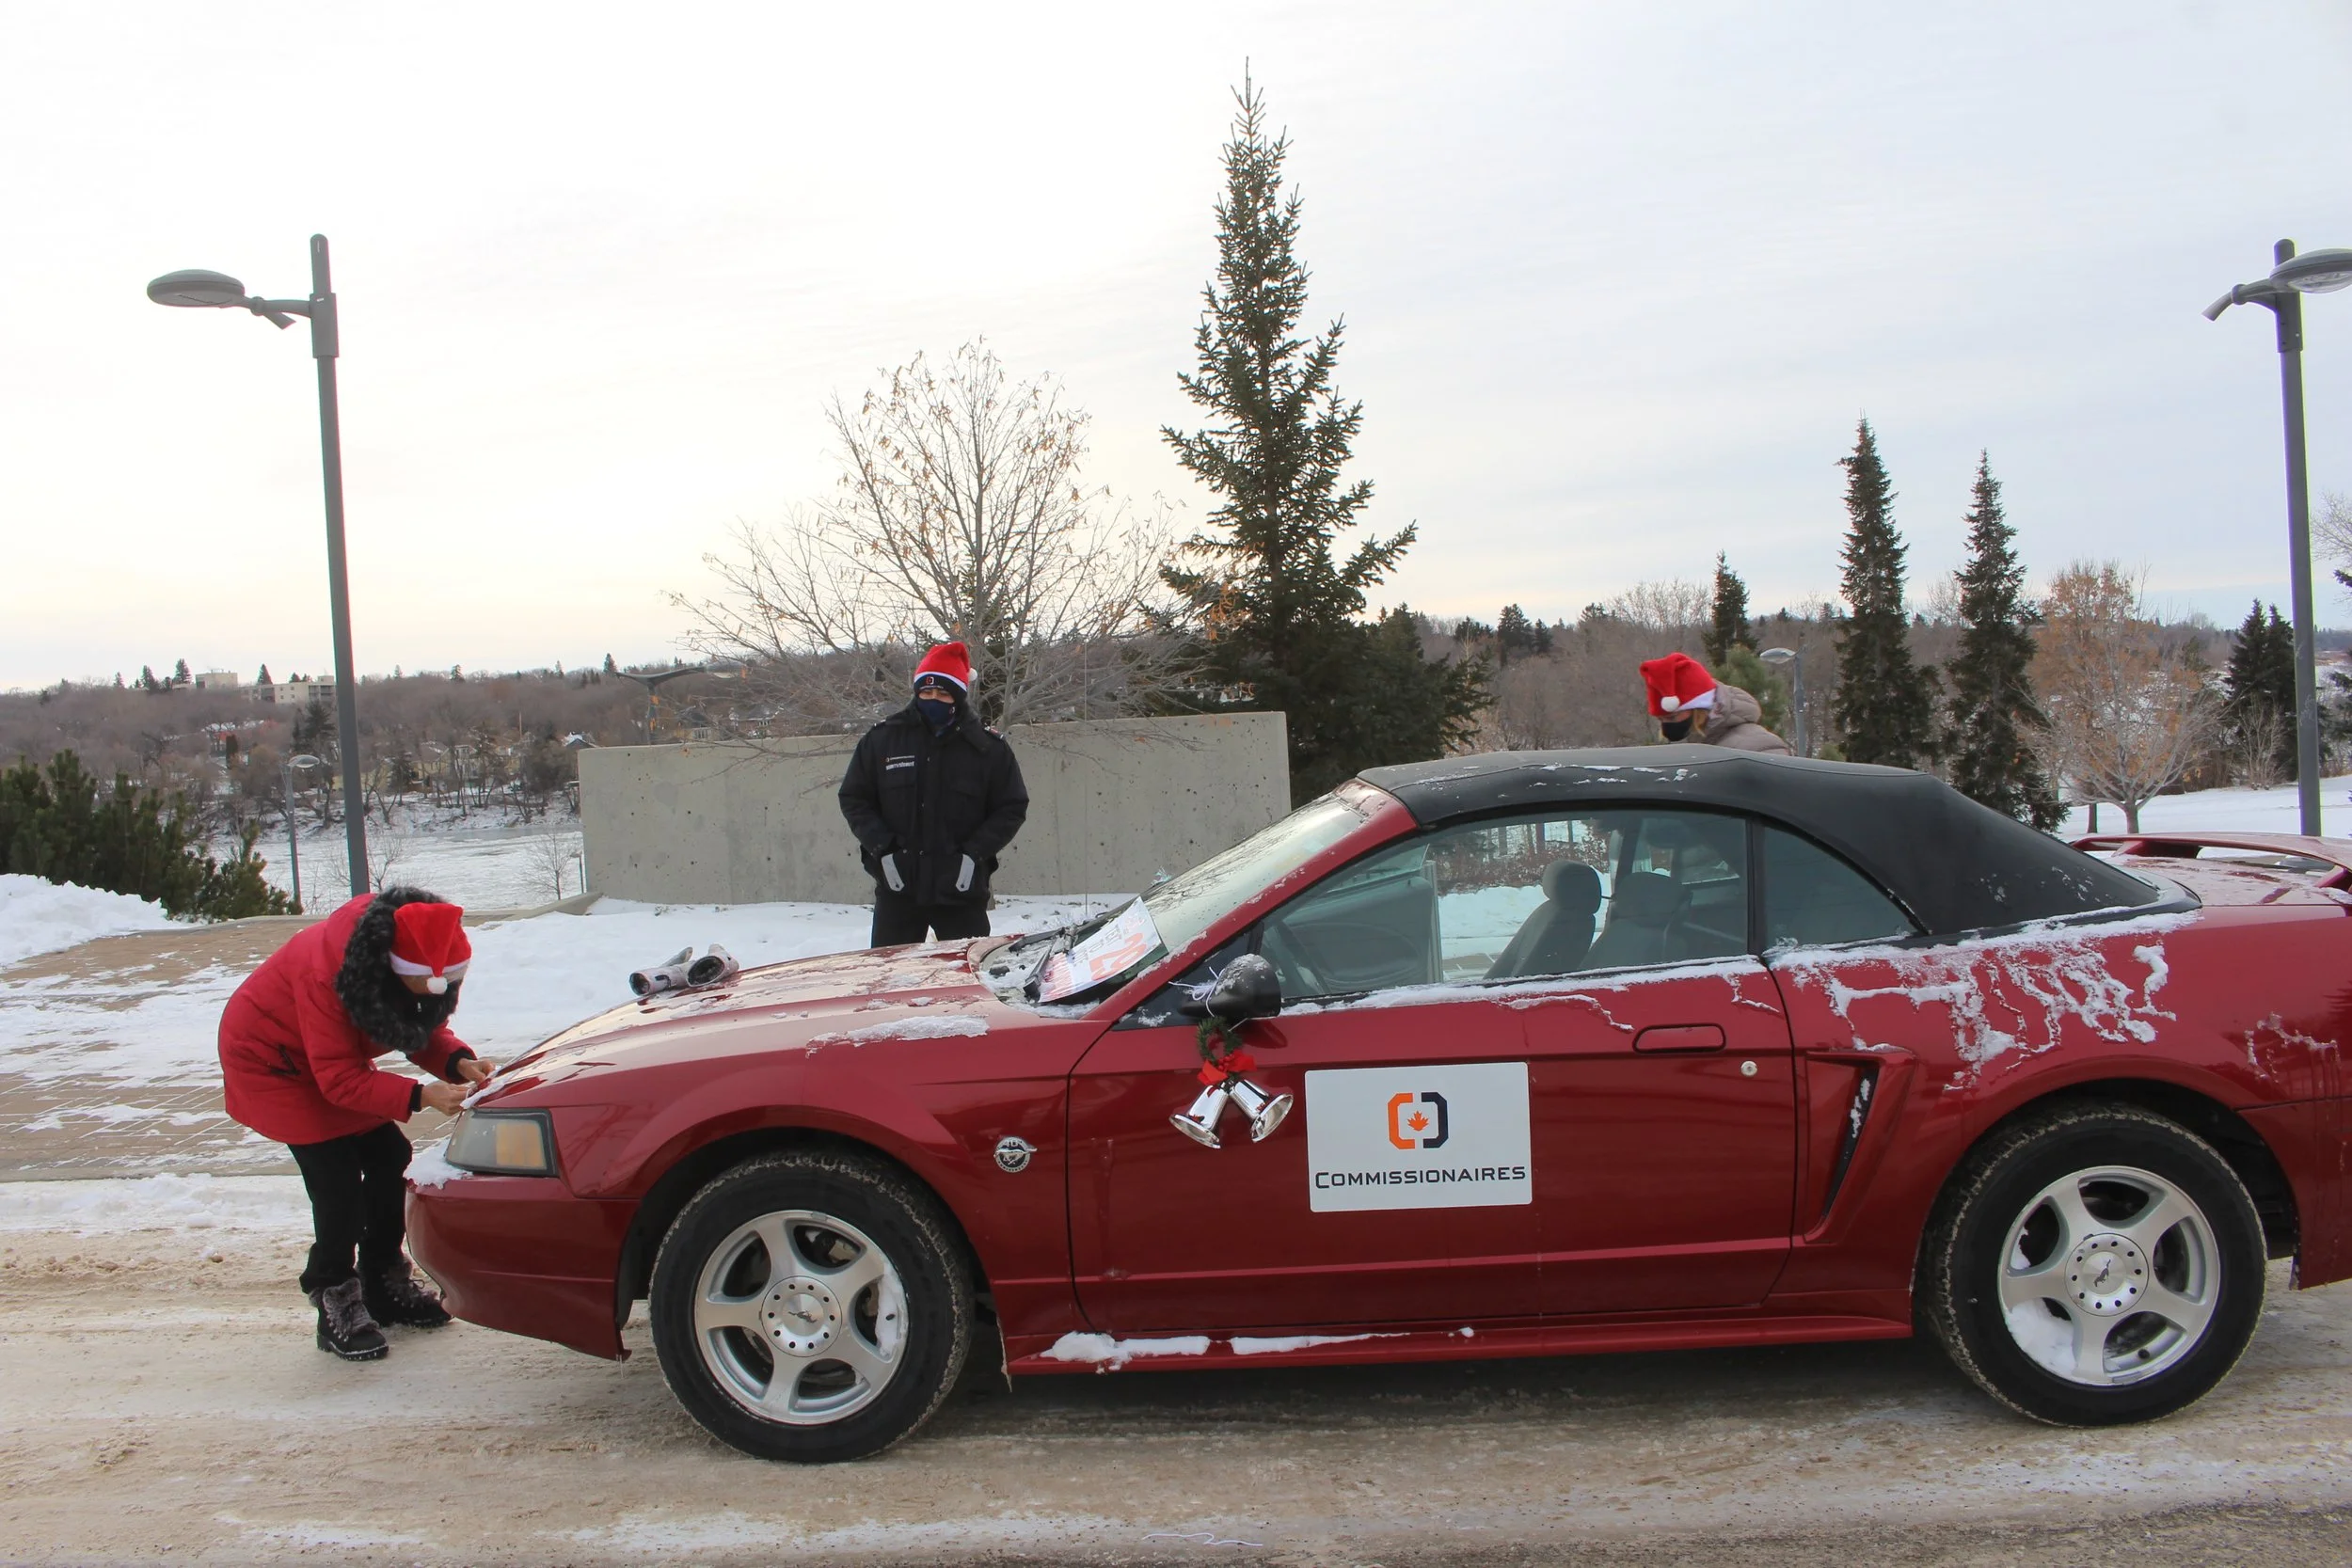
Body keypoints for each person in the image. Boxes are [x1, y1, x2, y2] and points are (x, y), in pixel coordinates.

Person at [216, 888, 492, 1361]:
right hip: (272, 1063)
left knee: (389, 1155)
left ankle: (382, 1280)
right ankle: (333, 1296)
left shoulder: (408, 961)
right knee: (337, 1180)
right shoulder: (327, 973)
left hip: (325, 1063)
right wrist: (419, 1095)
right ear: (390, 971)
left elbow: (414, 1026)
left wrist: (458, 1063)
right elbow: (339, 1080)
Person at [838, 641, 1030, 946]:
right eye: (926, 693)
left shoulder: (986, 749)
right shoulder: (883, 741)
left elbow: (1011, 807)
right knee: (891, 981)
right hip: (898, 891)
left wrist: (971, 857)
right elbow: (854, 799)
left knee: (967, 983)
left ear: (958, 696)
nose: (933, 700)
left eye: (943, 693)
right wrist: (884, 853)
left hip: (960, 892)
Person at [1641, 651, 1792, 754]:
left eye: (1672, 718)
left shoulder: (1759, 747)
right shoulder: (1692, 747)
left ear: (1698, 709)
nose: (1666, 727)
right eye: (1661, 720)